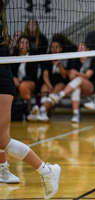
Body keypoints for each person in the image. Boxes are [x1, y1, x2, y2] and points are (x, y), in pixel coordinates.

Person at [0, 0, 60, 198]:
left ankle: (47, 171)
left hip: (2, 81)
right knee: (1, 138)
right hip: (5, 79)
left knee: (2, 139)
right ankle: (3, 170)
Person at [49, 43, 95, 123]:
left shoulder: (92, 60)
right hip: (77, 85)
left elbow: (87, 76)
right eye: (79, 48)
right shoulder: (75, 60)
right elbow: (71, 75)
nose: (80, 50)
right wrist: (72, 75)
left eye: (82, 48)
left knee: (80, 78)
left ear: (87, 50)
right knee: (77, 88)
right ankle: (76, 114)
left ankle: (60, 94)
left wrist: (76, 73)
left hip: (89, 87)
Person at [27, 40, 69, 122]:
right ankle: (43, 113)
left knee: (59, 87)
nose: (54, 49)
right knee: (44, 86)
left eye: (56, 47)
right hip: (49, 81)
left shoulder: (65, 58)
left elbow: (64, 75)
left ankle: (41, 110)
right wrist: (49, 85)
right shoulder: (47, 58)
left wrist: (59, 64)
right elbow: (45, 75)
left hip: (60, 82)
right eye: (52, 47)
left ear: (61, 49)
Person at [11, 36, 39, 112]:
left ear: (29, 46)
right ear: (18, 45)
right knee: (9, 84)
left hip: (30, 81)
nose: (24, 45)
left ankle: (27, 110)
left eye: (26, 43)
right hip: (17, 81)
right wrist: (14, 79)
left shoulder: (33, 57)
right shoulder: (14, 56)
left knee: (23, 86)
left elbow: (33, 75)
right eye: (22, 43)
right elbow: (11, 71)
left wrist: (21, 80)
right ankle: (10, 110)